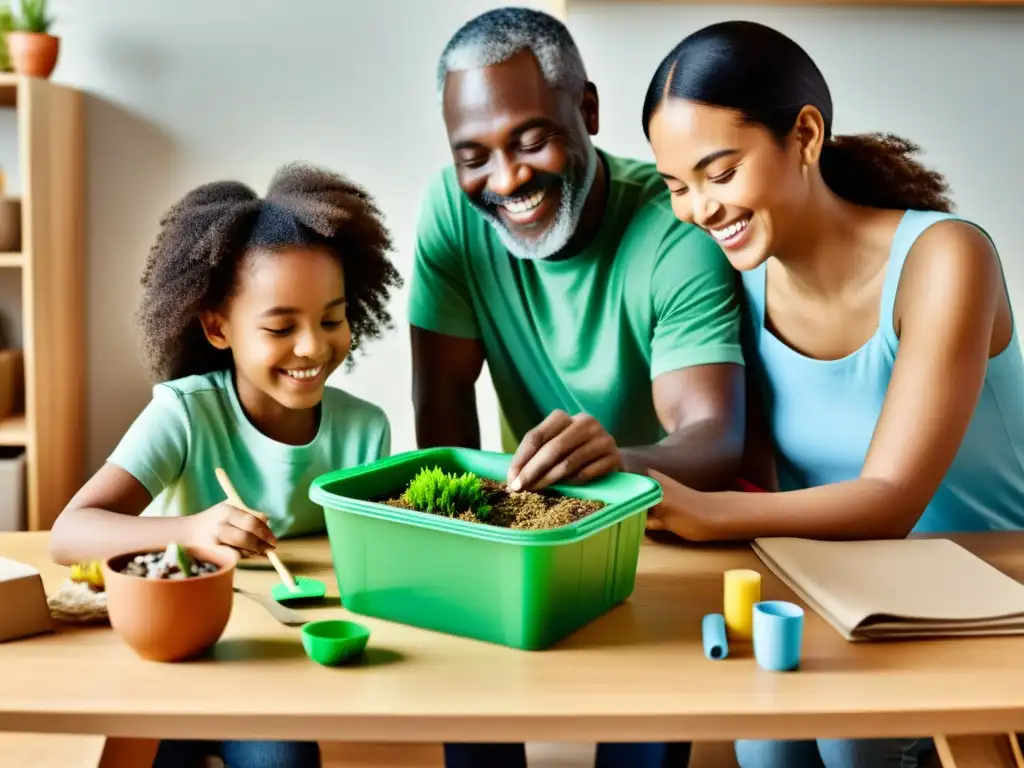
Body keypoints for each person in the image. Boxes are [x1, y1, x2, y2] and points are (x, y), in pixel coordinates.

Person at [640, 19, 1024, 768]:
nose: (700, 210)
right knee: (765, 732)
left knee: (847, 738)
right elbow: (763, 474)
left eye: (720, 174)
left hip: (989, 589)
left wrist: (700, 510)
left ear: (806, 136)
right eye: (677, 187)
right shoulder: (737, 279)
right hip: (844, 589)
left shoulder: (946, 257)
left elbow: (889, 499)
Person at [408, 7, 747, 767]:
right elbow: (443, 418)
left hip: (660, 533)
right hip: (522, 522)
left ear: (587, 110)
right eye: (474, 156)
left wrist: (620, 461)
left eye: (531, 139)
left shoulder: (674, 232)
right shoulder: (450, 217)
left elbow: (714, 439)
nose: (507, 179)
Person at [50, 163, 403, 768]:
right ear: (218, 327)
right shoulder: (184, 414)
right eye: (280, 326)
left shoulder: (365, 430)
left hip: (280, 666)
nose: (313, 347)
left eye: (331, 319)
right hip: (177, 648)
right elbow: (70, 532)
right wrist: (191, 531)